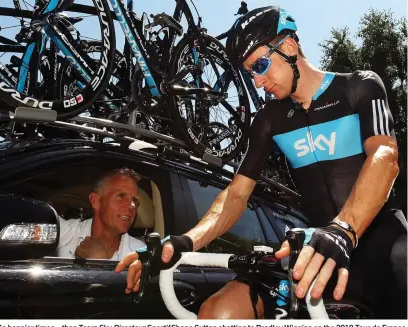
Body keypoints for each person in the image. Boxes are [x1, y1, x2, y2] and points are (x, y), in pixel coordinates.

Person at [115, 6, 407, 319]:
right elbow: (237, 194)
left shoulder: (360, 86)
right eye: (250, 72)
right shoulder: (270, 119)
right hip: (317, 250)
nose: (256, 81)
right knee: (219, 310)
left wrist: (343, 229)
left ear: (290, 47)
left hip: (382, 244)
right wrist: (184, 242)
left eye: (261, 65)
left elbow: (385, 157)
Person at [56, 167, 145, 260]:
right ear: (96, 201)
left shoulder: (140, 254)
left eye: (134, 200)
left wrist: (100, 263)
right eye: (121, 196)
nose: (132, 205)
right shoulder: (63, 234)